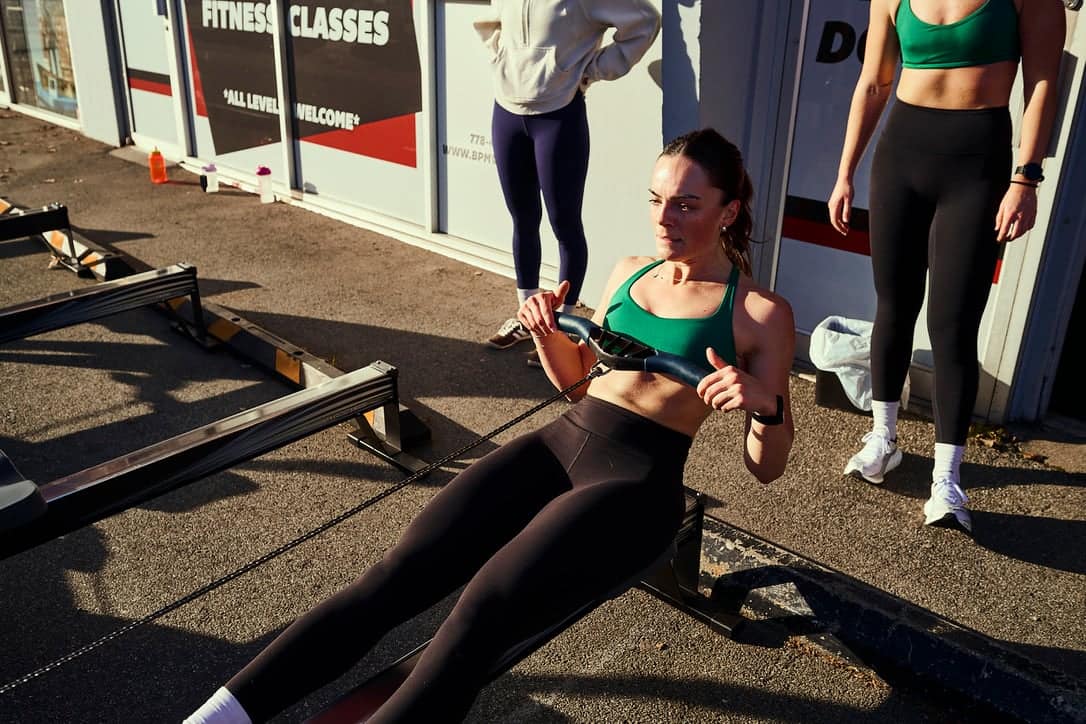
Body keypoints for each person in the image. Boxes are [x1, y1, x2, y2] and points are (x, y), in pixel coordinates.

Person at [185, 129, 795, 724]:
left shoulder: (758, 312)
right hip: (563, 442)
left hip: (636, 487)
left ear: (728, 210)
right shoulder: (630, 270)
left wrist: (763, 408)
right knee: (398, 576)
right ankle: (217, 716)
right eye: (657, 200)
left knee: (480, 614)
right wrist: (546, 332)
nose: (665, 219)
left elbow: (766, 468)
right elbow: (577, 383)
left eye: (687, 205)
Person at [827, 0, 1065, 533]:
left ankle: (947, 475)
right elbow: (873, 83)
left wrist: (1025, 179)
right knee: (893, 303)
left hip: (976, 164)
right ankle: (883, 439)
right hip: (900, 154)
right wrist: (845, 172)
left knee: (953, 324)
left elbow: (1043, 84)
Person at [474, 0, 662, 366]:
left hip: (559, 115)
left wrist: (589, 71)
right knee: (523, 219)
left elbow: (644, 21)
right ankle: (529, 317)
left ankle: (563, 325)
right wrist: (502, 61)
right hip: (507, 112)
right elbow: (490, 21)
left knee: (564, 224)